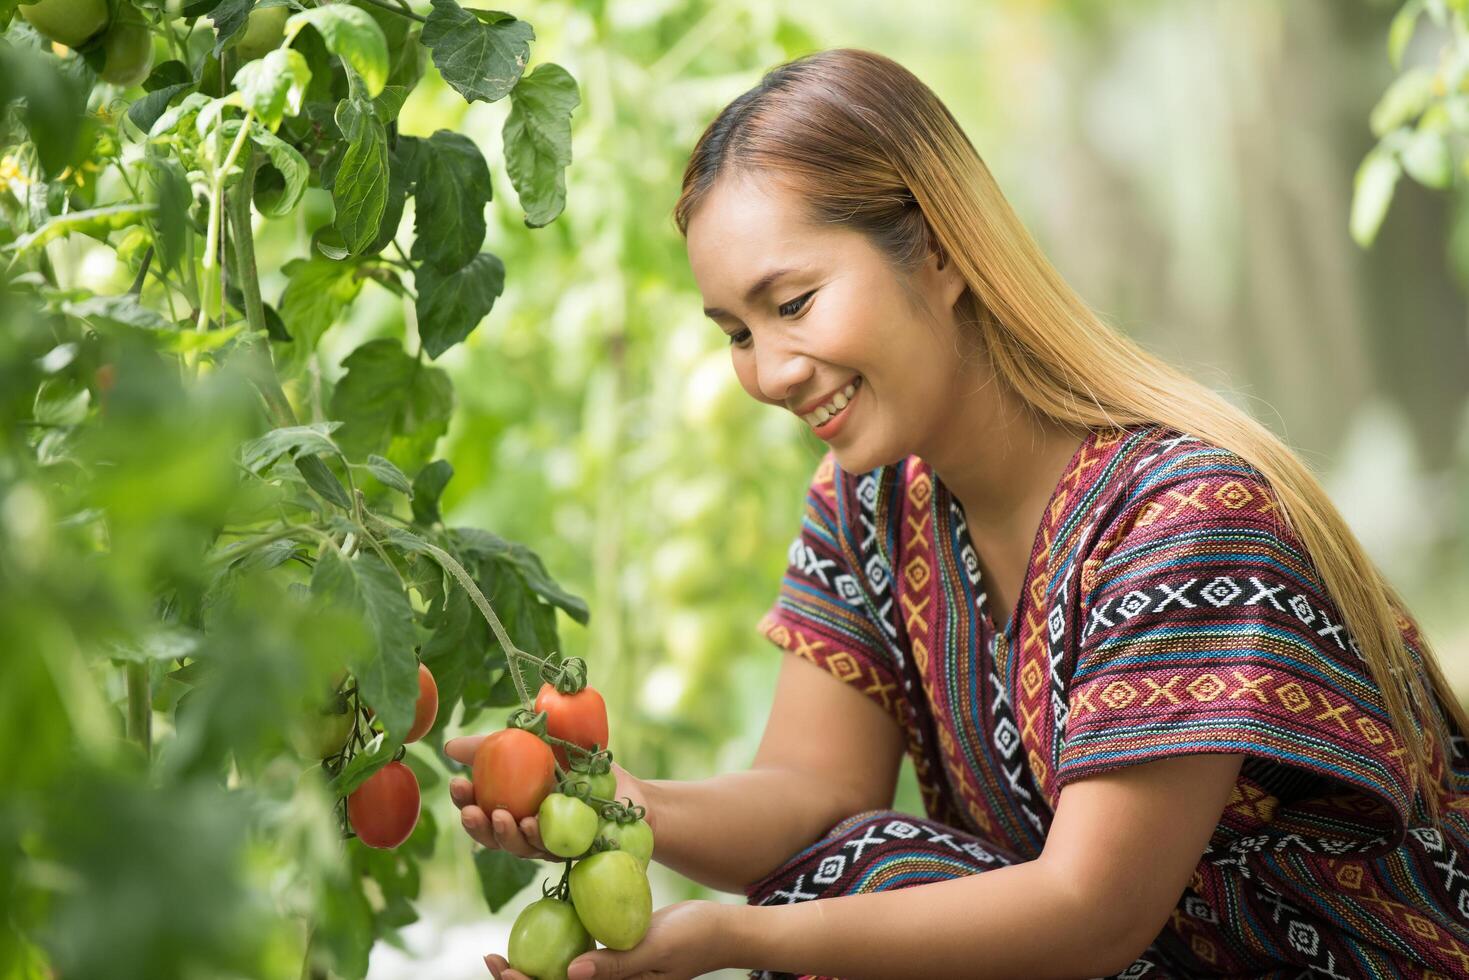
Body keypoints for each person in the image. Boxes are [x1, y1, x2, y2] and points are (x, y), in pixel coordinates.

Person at [448, 48, 1469, 979]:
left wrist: (734, 934)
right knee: (847, 862)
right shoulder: (871, 503)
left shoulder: (1184, 515)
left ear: (936, 254)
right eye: (735, 331)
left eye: (791, 303)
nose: (766, 371)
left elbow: (1088, 912)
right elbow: (807, 791)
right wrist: (615, 802)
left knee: (862, 871)